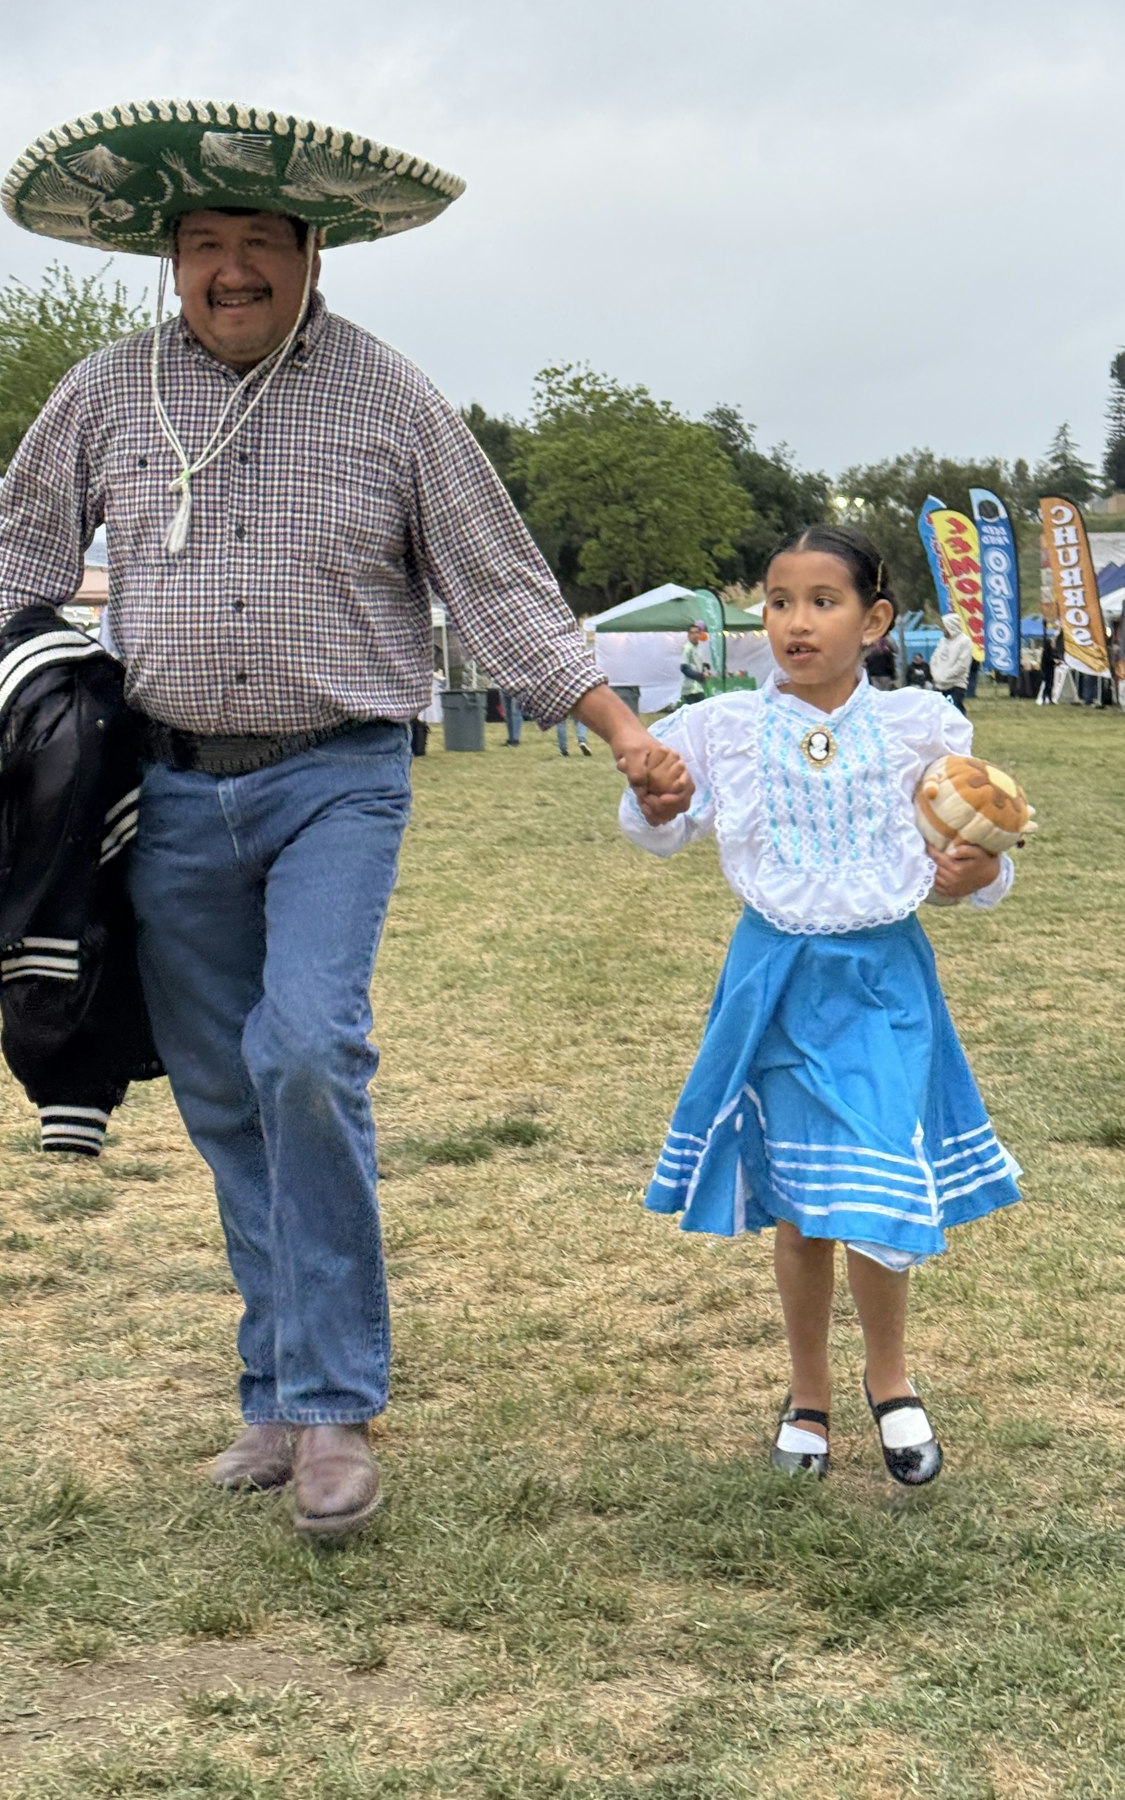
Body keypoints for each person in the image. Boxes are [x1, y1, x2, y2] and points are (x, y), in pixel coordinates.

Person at [0, 98, 691, 1539]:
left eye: (260, 241)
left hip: (338, 774)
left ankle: (333, 1408)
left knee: (308, 1051)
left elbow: (498, 585)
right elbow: (17, 551)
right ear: (168, 260)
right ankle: (277, 1383)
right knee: (226, 1098)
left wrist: (622, 730)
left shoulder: (389, 398)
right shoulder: (107, 390)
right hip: (166, 790)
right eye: (204, 244)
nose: (230, 268)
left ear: (315, 253)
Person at [620, 525, 1020, 1488]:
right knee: (800, 1205)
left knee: (881, 1181)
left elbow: (974, 853)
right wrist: (658, 800)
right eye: (779, 601)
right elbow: (652, 826)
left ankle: (891, 1381)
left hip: (883, 984)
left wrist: (975, 870)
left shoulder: (919, 725)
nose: (795, 622)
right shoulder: (720, 725)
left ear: (874, 620)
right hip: (774, 983)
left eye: (822, 602)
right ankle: (809, 1394)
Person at [929, 611, 973, 713]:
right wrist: (936, 676)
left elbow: (962, 666)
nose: (942, 630)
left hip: (955, 685)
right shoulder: (942, 641)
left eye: (944, 627)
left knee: (955, 711)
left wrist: (944, 677)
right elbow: (934, 659)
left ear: (951, 626)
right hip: (938, 685)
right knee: (938, 713)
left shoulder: (965, 641)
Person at [680, 622, 710, 704]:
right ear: (688, 635)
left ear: (700, 634)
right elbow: (684, 668)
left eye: (697, 632)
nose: (695, 635)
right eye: (692, 633)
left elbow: (700, 664)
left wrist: (705, 670)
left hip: (698, 686)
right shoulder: (687, 648)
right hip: (690, 688)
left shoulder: (699, 648)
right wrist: (700, 676)